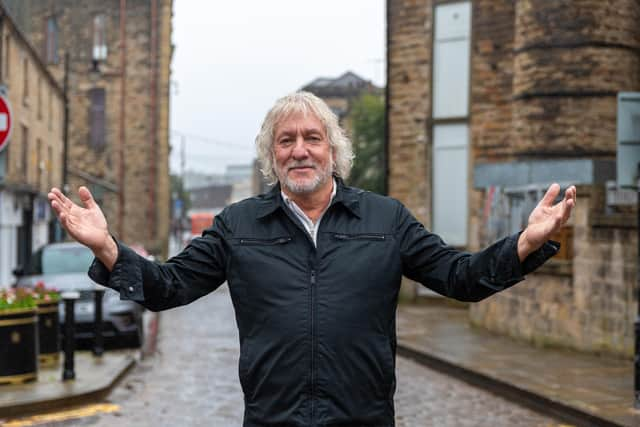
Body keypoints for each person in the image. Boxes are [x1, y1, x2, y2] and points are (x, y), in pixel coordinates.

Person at [48, 91, 576, 426]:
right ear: (271, 155)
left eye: (312, 138)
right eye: (286, 140)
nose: (299, 150)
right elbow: (167, 287)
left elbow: (461, 278)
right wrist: (107, 247)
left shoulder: (386, 219)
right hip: (272, 418)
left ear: (333, 150)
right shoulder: (238, 225)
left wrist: (524, 243)